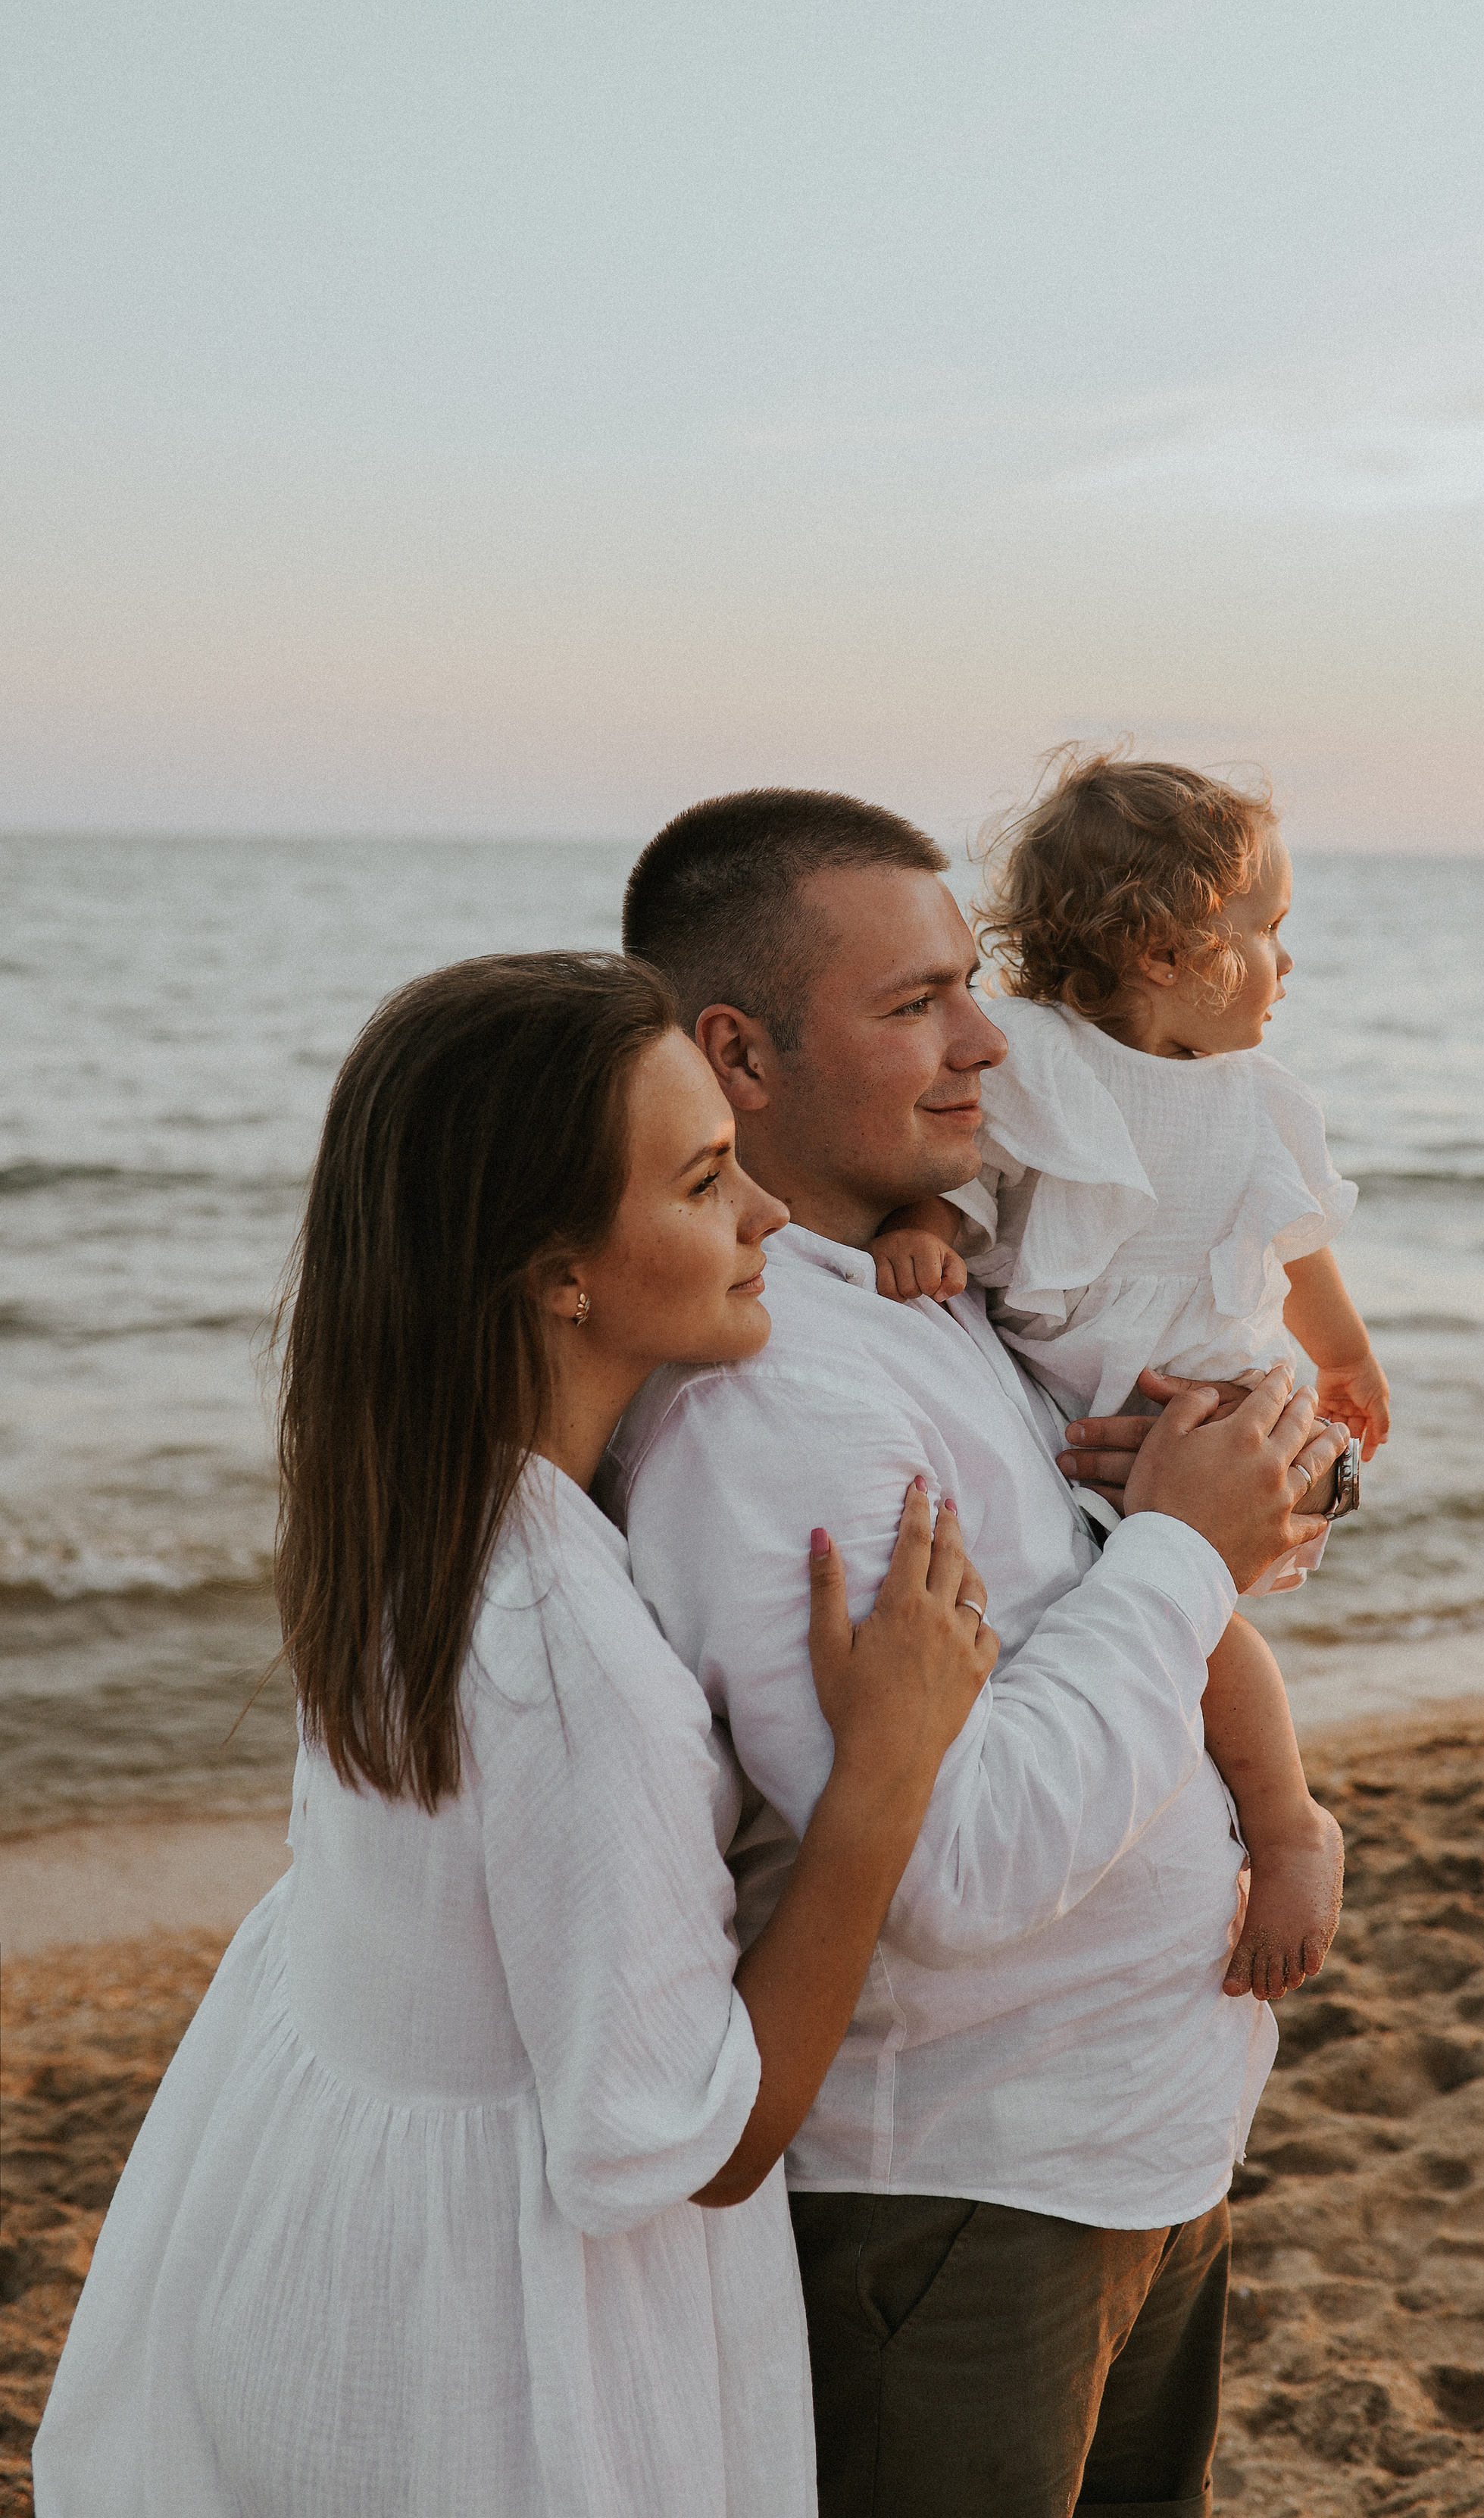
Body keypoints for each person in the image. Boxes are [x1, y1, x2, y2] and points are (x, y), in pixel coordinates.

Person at [34, 952, 995, 2518]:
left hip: (316, 2236)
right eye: (700, 1181)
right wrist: (883, 1775)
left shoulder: (404, 1505)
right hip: (496, 2347)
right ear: (557, 1269)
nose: (764, 1216)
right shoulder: (563, 1646)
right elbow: (698, 2141)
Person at [604, 793, 1349, 2518]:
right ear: (738, 1055)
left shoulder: (938, 1280)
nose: (984, 1038)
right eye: (917, 1004)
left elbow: (1180, 1464)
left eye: (971, 987)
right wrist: (1183, 1545)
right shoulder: (764, 1405)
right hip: (959, 2199)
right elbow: (941, 1864)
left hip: (1131, 2149)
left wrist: (1293, 1476)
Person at [867, 747, 1392, 2001]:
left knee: (1205, 1628)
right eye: (1263, 930)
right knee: (1140, 1622)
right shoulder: (1038, 1061)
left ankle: (1287, 1827)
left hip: (1208, 1400)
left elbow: (1296, 1241)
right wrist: (923, 1241)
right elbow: (972, 1182)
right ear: (1164, 954)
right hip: (1068, 1405)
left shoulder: (1259, 1098)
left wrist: (1346, 1357)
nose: (1285, 960)